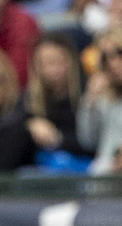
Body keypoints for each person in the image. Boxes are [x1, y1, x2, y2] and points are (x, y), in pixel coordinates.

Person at [77, 24, 122, 172]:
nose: (114, 63)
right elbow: (88, 141)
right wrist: (90, 102)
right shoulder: (104, 97)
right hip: (107, 172)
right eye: (106, 57)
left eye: (121, 53)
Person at [21, 33, 89, 165]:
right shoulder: (29, 99)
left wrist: (57, 138)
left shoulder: (86, 93)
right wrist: (29, 125)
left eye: (58, 61)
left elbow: (92, 142)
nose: (53, 68)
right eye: (45, 63)